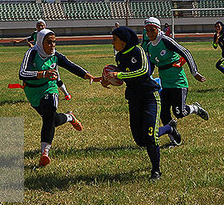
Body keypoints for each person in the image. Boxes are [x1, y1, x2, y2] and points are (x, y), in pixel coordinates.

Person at [18, 28, 93, 167]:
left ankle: (44, 153)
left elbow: (70, 65)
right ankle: (70, 117)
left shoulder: (55, 55)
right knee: (52, 119)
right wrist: (42, 74)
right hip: (32, 91)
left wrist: (86, 74)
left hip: (49, 87)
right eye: (49, 42)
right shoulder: (32, 53)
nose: (52, 45)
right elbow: (22, 73)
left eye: (54, 42)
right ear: (41, 42)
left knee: (49, 113)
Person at [101, 26, 163, 181]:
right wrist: (108, 79)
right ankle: (170, 128)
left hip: (149, 97)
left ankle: (156, 171)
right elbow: (123, 79)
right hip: (134, 99)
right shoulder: (119, 57)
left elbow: (144, 71)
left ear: (124, 40)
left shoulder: (138, 51)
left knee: (150, 137)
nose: (112, 43)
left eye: (114, 39)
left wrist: (119, 74)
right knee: (140, 140)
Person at [141, 16, 209, 147]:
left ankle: (195, 108)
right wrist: (147, 78)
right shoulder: (149, 46)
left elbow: (185, 52)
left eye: (152, 30)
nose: (149, 33)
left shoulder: (166, 40)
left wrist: (194, 72)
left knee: (179, 113)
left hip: (178, 82)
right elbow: (152, 65)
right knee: (163, 113)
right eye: (147, 30)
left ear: (158, 29)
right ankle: (175, 139)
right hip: (164, 84)